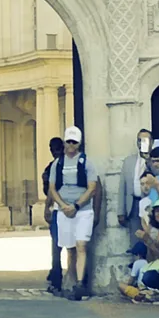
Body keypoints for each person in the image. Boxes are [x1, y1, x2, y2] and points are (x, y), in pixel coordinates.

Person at [48, 126, 96, 301]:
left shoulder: (86, 162)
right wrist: (62, 205)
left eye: (74, 142)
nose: (70, 145)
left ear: (79, 143)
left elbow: (92, 187)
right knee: (70, 248)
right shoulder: (58, 163)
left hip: (82, 210)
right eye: (68, 141)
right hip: (64, 210)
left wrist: (76, 205)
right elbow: (52, 188)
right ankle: (73, 281)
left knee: (81, 245)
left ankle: (80, 282)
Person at [41, 137, 66, 294]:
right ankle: (56, 274)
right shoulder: (52, 166)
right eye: (52, 148)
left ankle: (57, 277)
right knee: (58, 245)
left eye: (57, 148)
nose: (54, 151)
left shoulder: (54, 166)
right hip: (59, 208)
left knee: (59, 246)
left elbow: (50, 189)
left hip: (63, 207)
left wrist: (47, 206)